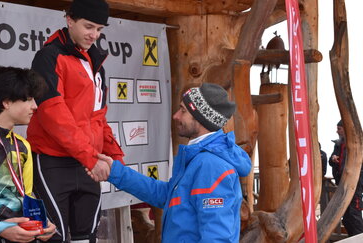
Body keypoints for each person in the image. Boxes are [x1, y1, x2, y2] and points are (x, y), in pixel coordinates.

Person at [91, 83, 252, 242]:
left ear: (201, 118)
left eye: (183, 111)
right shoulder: (200, 158)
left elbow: (216, 238)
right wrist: (115, 171)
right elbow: (166, 195)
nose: (176, 116)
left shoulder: (211, 165)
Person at [27, 0, 124, 242]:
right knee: (51, 236)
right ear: (69, 19)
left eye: (99, 28)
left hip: (87, 164)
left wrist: (116, 157)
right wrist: (91, 158)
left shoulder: (96, 62)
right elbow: (53, 115)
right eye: (88, 26)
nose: (94, 34)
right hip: (54, 161)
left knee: (87, 236)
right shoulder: (48, 57)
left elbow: (98, 117)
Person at [0, 66, 56, 242]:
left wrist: (40, 223)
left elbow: (25, 196)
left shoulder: (23, 146)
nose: (35, 106)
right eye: (28, 99)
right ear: (6, 102)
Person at [329, 120, 363, 236]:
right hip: (342, 184)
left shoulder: (358, 144)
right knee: (346, 217)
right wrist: (333, 159)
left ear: (346, 129)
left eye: (339, 129)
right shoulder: (338, 144)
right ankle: (353, 238)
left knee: (354, 215)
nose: (337, 131)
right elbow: (330, 161)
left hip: (355, 185)